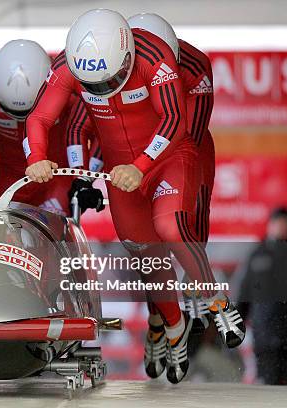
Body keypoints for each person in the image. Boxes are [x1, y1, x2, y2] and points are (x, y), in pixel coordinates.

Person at [24, 9, 244, 383]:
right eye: (91, 84)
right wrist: (37, 157)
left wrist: (142, 165)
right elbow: (40, 118)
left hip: (169, 155)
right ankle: (171, 328)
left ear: (126, 57)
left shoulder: (155, 57)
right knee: (144, 250)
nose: (100, 89)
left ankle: (215, 299)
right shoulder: (67, 67)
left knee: (171, 228)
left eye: (109, 79)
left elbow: (175, 120)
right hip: (120, 167)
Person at [127, 12, 216, 332]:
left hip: (182, 142)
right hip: (141, 141)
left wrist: (149, 164)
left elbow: (187, 138)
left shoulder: (196, 67)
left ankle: (197, 283)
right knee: (143, 233)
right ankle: (158, 309)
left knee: (187, 210)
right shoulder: (126, 66)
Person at [0, 40, 91, 214]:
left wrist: (82, 178)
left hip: (57, 176)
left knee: (56, 235)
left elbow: (84, 131)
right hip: (10, 177)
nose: (24, 120)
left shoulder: (64, 82)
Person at [235, 207, 287, 385]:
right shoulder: (256, 254)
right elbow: (242, 294)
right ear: (270, 226)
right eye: (278, 223)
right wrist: (234, 327)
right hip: (265, 335)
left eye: (286, 224)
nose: (282, 228)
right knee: (268, 387)